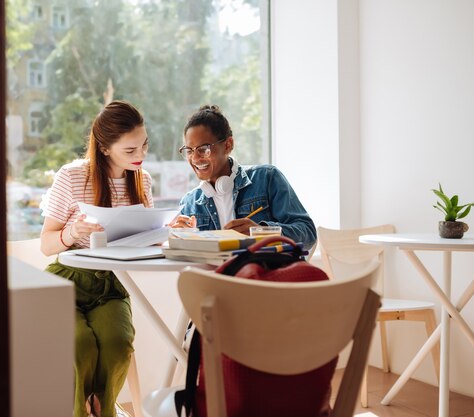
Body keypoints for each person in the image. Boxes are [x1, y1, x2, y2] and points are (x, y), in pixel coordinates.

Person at [40, 100, 152, 417]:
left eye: (143, 145)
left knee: (118, 346)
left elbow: (140, 241)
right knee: (80, 348)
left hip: (112, 282)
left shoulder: (142, 181)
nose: (140, 156)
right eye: (130, 151)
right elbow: (46, 245)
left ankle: (101, 410)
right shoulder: (73, 176)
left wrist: (166, 229)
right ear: (104, 148)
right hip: (68, 277)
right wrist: (72, 231)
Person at [171, 104, 316, 249]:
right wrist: (178, 238)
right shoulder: (190, 203)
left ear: (228, 145)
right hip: (216, 272)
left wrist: (260, 233)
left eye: (204, 149)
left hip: (266, 269)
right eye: (189, 150)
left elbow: (308, 233)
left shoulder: (267, 178)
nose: (195, 158)